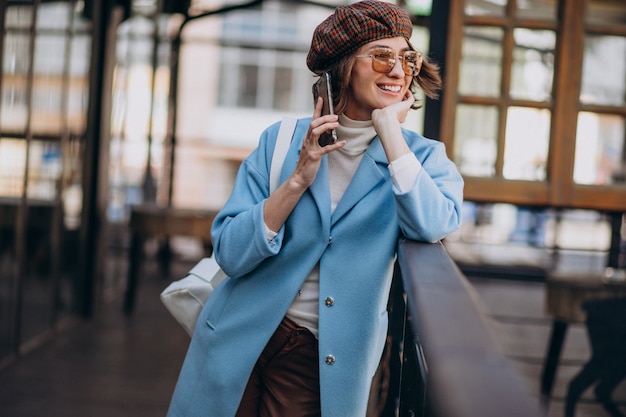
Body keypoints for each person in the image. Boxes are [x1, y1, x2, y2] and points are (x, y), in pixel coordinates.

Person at [166, 1, 463, 416]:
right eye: (381, 57)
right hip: (236, 336)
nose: (397, 71)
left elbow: (434, 225)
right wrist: (296, 181)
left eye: (406, 58)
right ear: (341, 67)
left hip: (321, 358)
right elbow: (230, 254)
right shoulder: (281, 141)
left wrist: (390, 133)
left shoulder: (421, 159)